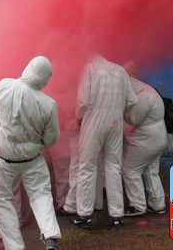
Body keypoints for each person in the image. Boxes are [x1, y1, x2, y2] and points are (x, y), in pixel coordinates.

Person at [0, 56, 61, 250]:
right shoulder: (49, 104)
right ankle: (50, 235)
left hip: (3, 161)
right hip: (32, 159)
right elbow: (52, 138)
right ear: (44, 77)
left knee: (2, 200)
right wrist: (37, 144)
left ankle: (15, 247)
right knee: (40, 194)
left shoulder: (4, 85)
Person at [72, 53, 137, 230]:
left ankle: (84, 215)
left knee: (87, 167)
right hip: (115, 122)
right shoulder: (121, 71)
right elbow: (132, 100)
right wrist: (118, 111)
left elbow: (83, 101)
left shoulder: (89, 69)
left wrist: (78, 117)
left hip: (93, 122)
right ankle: (117, 216)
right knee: (114, 168)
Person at [121, 62, 167, 217]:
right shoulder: (149, 89)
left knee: (130, 170)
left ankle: (137, 205)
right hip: (159, 136)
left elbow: (134, 119)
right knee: (151, 171)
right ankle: (157, 204)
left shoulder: (142, 96)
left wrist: (124, 112)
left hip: (146, 139)